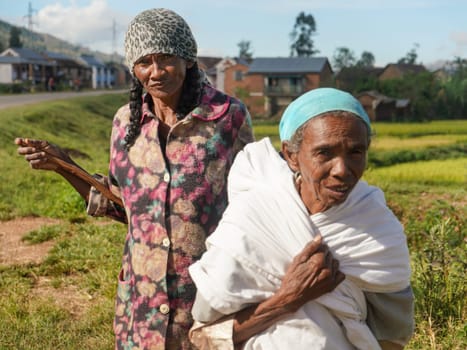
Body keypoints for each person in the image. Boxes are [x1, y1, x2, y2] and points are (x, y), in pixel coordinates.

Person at [15, 8, 256, 349]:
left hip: (206, 298)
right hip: (142, 306)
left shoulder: (227, 118)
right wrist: (63, 165)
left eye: (166, 59)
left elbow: (256, 201)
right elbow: (122, 206)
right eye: (144, 62)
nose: (156, 72)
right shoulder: (125, 123)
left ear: (187, 59)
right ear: (133, 68)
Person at [188, 88, 414, 349]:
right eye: (324, 153)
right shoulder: (251, 219)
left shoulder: (377, 229)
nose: (342, 170)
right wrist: (289, 298)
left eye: (355, 152)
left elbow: (392, 339)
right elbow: (204, 335)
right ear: (291, 156)